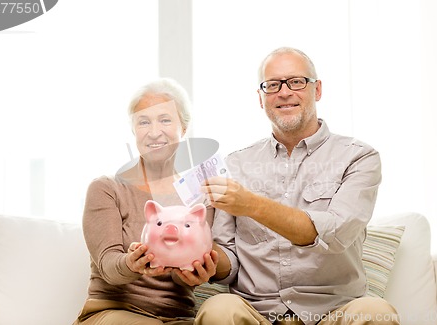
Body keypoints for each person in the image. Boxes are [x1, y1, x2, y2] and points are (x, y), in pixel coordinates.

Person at [196, 47, 400, 325]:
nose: (284, 92)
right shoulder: (235, 164)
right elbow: (228, 262)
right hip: (257, 313)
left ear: (317, 90)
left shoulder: (359, 157)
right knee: (219, 308)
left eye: (296, 81)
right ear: (260, 98)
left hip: (333, 312)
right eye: (272, 85)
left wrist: (251, 204)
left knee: (377, 313)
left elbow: (335, 234)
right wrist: (202, 260)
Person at [73, 78, 218, 325]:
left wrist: (192, 273)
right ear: (133, 130)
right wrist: (132, 263)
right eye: (143, 122)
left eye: (164, 119)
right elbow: (108, 266)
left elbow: (183, 275)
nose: (153, 132)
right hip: (114, 312)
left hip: (178, 317)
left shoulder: (199, 196)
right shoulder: (107, 188)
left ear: (183, 127)